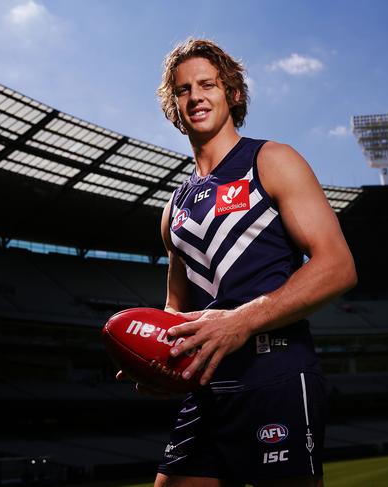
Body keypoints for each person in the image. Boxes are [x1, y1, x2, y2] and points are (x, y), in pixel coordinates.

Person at [120, 38, 356, 486]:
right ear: (173, 105)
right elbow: (175, 309)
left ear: (233, 93)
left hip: (276, 376)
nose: (195, 96)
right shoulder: (175, 206)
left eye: (206, 84)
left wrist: (240, 321)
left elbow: (338, 266)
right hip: (207, 388)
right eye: (183, 89)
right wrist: (158, 362)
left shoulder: (272, 160)